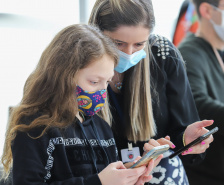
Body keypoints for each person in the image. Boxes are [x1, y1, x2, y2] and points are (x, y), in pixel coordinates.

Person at [0, 24, 162, 185]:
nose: (102, 91)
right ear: (63, 76)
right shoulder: (34, 127)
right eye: (94, 81)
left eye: (106, 82)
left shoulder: (102, 128)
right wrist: (99, 182)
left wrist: (128, 178)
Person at [88, 0, 214, 184]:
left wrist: (186, 140)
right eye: (118, 43)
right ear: (96, 33)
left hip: (155, 175)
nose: (129, 53)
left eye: (139, 44)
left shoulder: (163, 56)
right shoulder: (79, 62)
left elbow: (179, 138)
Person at [178, 0, 224, 184]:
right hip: (206, 176)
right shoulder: (188, 53)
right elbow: (197, 104)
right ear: (206, 10)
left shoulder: (221, 51)